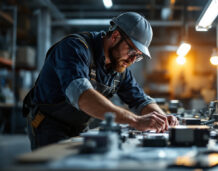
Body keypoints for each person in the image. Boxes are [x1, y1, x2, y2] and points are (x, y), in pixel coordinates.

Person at [23, 12, 178, 150]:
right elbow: (82, 96)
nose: (132, 59)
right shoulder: (75, 48)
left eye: (137, 56)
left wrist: (162, 118)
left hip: (79, 126)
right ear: (115, 36)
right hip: (49, 125)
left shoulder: (119, 69)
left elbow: (141, 100)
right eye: (131, 51)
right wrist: (135, 120)